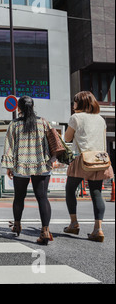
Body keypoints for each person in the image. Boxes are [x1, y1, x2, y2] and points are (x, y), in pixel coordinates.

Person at [1, 96, 54, 245]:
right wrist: (52, 160)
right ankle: (45, 231)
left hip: (21, 165)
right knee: (42, 197)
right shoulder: (43, 122)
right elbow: (52, 142)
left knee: (19, 197)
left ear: (19, 108)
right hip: (41, 165)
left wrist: (9, 166)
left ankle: (17, 225)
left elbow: (9, 146)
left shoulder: (14, 124)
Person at [63, 91, 113, 242]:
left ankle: (74, 223)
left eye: (75, 102)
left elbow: (67, 138)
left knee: (70, 190)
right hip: (99, 159)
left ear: (81, 103)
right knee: (96, 193)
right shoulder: (100, 119)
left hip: (82, 159)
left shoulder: (76, 118)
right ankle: (98, 229)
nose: (73, 104)